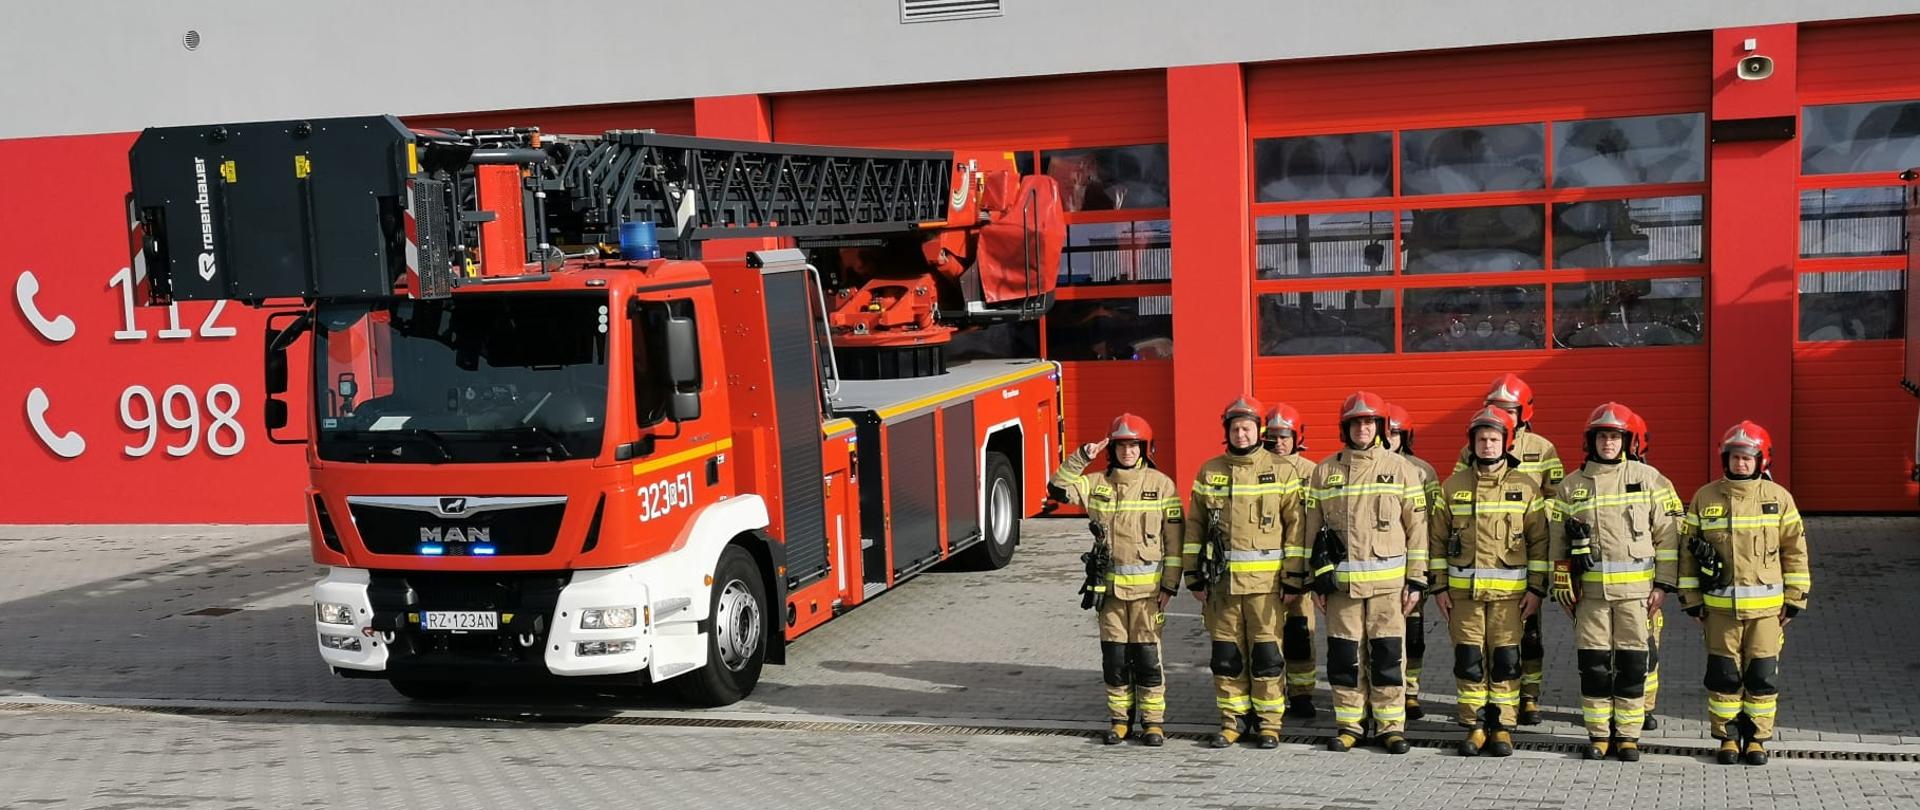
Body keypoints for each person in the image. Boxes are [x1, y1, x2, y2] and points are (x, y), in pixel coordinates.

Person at [1292, 392, 1428, 754]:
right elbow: (1312, 529)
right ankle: (1350, 723)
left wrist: (1416, 579)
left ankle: (1389, 726)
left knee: (1386, 656)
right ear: (1345, 428)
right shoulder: (1325, 471)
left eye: (1369, 422)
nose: (1363, 428)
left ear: (1380, 427)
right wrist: (1315, 580)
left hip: (1389, 587)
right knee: (1345, 657)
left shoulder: (1403, 469)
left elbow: (1418, 529)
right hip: (1341, 589)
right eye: (1356, 422)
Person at [1548, 403, 1682, 761]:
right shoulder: (1571, 486)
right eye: (1602, 436)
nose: (1608, 442)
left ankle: (1627, 736)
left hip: (1637, 597)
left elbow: (1668, 537)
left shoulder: (1651, 479)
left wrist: (1663, 586)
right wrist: (1562, 583)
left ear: (1626, 440)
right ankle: (1598, 735)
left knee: (1632, 665)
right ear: (1590, 441)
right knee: (1592, 665)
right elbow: (1557, 540)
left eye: (1615, 436)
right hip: (1589, 596)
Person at [1679, 421, 1811, 767]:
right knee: (1723, 677)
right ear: (1725, 459)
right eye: (1735, 457)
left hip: (1767, 613)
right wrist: (1691, 600)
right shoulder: (1705, 497)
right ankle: (1727, 738)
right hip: (1719, 611)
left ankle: (1756, 740)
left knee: (1762, 677)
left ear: (1761, 460)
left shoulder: (1779, 499)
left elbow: (1794, 551)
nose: (1741, 463)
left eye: (1747, 458)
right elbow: (1687, 554)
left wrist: (1795, 598)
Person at [1048, 414, 1185, 746]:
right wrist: (1083, 455)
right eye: (1122, 445)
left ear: (1145, 448)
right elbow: (1056, 487)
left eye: (1134, 445)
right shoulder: (1096, 484)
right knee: (1115, 659)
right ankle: (1120, 721)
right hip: (1108, 595)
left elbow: (1175, 542)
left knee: (1148, 660)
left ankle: (1153, 723)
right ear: (1113, 449)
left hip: (1149, 595)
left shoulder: (1161, 485)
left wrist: (1169, 585)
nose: (1127, 452)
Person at [1184, 396, 1304, 749]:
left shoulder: (1282, 471)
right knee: (1227, 658)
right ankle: (1232, 721)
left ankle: (1268, 724)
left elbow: (1295, 529)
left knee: (1267, 657)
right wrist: (1194, 575)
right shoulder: (1210, 471)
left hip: (1266, 588)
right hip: (1222, 587)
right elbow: (1196, 525)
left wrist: (1293, 577)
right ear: (1227, 432)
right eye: (1235, 428)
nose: (1241, 433)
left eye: (1247, 428)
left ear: (1259, 430)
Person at [1431, 405, 1548, 757]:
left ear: (1506, 443)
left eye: (1494, 439)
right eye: (1481, 439)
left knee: (1506, 661)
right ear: (1472, 443)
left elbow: (1539, 541)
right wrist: (1438, 587)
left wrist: (1537, 590)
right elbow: (1436, 539)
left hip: (1510, 598)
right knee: (1468, 660)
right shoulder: (1452, 486)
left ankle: (1503, 727)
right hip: (1463, 596)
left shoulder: (1526, 486)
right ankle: (1474, 725)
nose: (1487, 445)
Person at [1455, 372, 1564, 724]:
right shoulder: (1470, 447)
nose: (1504, 414)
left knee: (1529, 633)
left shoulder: (1543, 448)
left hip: (1527, 551)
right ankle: (1487, 706)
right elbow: (1463, 492)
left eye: (1510, 409)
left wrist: (1528, 520)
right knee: (1484, 643)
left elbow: (1556, 498)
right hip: (1483, 560)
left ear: (1524, 412)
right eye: (1497, 407)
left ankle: (1529, 696)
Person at [1386, 403, 1442, 721]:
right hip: (1379, 571)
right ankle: (1385, 689)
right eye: (1387, 431)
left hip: (1413, 568)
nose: (1390, 437)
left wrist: (1426, 570)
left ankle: (1410, 692)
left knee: (1413, 634)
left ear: (1405, 435)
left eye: (1396, 432)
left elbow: (1432, 522)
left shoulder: (1423, 471)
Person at [1263, 403, 1320, 718]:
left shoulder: (1310, 472)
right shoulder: (1258, 468)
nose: (1279, 442)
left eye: (1285, 436)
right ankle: (1271, 693)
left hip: (1300, 570)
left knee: (1299, 634)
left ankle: (1301, 694)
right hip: (1263, 570)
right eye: (1273, 436)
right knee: (1268, 635)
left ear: (1297, 436)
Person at [1625, 410, 1666, 728]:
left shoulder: (1652, 481)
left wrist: (1663, 584)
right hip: (1607, 590)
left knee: (1646, 649)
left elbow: (1671, 531)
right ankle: (1624, 705)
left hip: (1643, 587)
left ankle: (1645, 706)